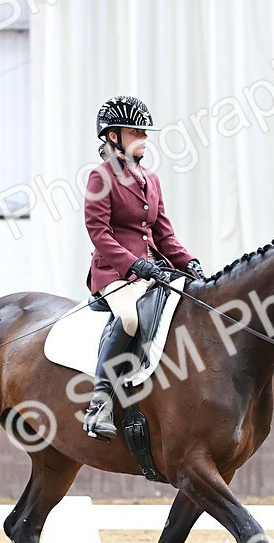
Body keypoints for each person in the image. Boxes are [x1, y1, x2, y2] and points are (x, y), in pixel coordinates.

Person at [82, 95, 205, 441]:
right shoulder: (100, 178)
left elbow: (164, 233)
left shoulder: (150, 179)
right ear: (112, 137)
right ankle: (99, 404)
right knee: (130, 318)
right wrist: (133, 263)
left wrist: (189, 262)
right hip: (115, 273)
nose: (144, 139)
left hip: (154, 269)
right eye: (136, 132)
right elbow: (99, 233)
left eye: (145, 133)